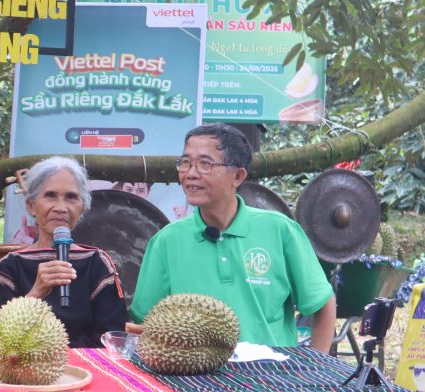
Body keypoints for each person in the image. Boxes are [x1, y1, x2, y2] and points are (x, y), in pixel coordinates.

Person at [131, 123, 336, 352]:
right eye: (185, 162)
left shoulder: (281, 231)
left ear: (237, 176)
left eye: (205, 164)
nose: (191, 173)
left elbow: (323, 305)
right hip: (193, 380)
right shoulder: (166, 242)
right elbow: (144, 322)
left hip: (270, 380)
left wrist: (315, 370)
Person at [0, 156, 127, 347]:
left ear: (82, 207)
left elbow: (113, 336)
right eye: (50, 195)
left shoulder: (97, 263)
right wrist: (36, 293)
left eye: (71, 197)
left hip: (88, 368)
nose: (61, 208)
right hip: (25, 367)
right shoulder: (10, 266)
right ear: (31, 206)